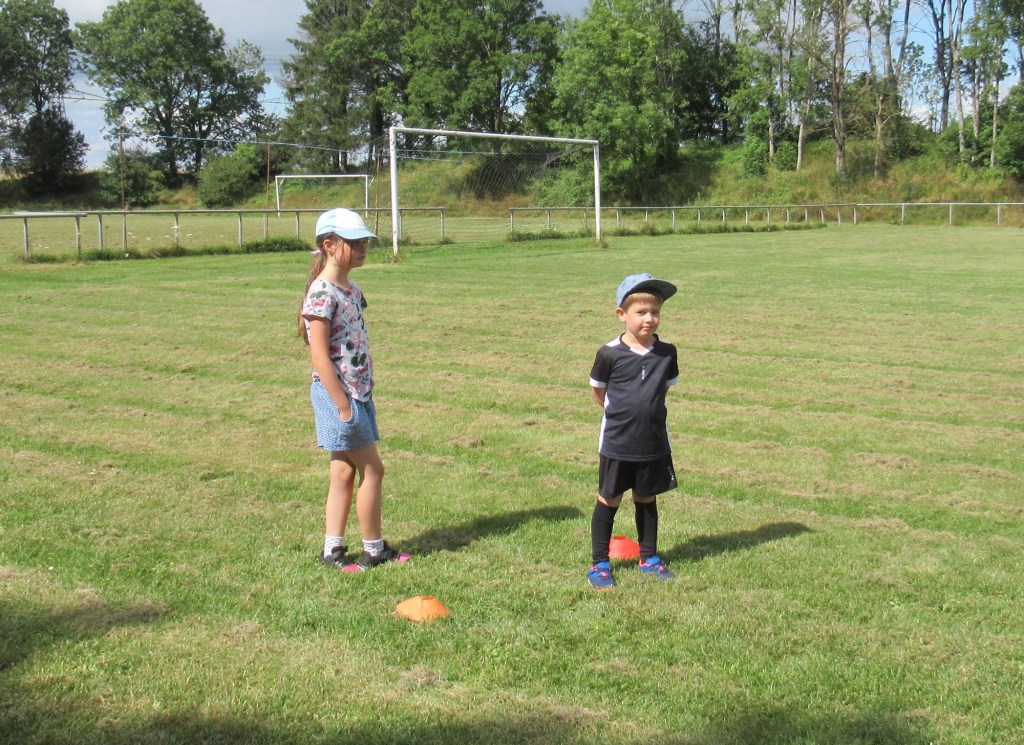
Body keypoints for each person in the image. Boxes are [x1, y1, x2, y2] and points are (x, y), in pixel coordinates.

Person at [299, 207, 409, 571]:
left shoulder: (351, 290)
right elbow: (319, 356)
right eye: (354, 242)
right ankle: (374, 549)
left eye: (364, 242)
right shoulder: (322, 293)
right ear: (329, 245)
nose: (362, 248)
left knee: (343, 471)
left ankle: (332, 550)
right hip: (341, 397)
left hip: (357, 393)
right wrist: (342, 405)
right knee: (373, 470)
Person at [587, 273, 680, 589]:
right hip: (617, 442)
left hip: (652, 442)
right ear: (621, 314)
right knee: (609, 499)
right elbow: (598, 391)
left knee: (647, 498)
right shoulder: (609, 353)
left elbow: (663, 389)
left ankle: (648, 557)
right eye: (641, 312)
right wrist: (622, 414)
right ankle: (600, 564)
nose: (649, 319)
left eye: (655, 312)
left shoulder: (667, 352)